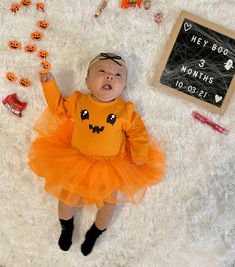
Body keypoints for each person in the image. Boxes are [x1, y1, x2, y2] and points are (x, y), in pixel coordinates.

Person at [28, 52, 165, 256]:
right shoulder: (78, 101)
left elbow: (138, 133)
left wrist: (139, 155)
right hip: (76, 161)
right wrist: (49, 85)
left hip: (110, 166)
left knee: (109, 203)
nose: (109, 76)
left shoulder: (125, 111)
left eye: (118, 75)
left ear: (124, 87)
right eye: (101, 71)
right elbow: (58, 107)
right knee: (67, 198)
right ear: (87, 81)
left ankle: (94, 233)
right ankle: (67, 228)